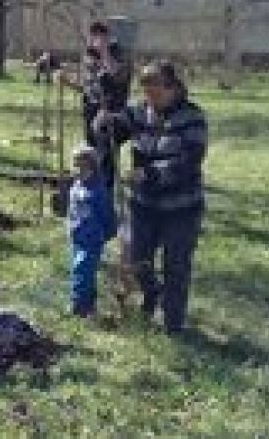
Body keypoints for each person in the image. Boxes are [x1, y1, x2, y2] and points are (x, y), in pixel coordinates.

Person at [95, 60, 207, 335]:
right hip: (143, 205)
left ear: (172, 88)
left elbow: (190, 161)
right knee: (136, 261)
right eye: (146, 93)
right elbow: (116, 129)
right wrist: (104, 123)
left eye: (156, 93)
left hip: (181, 207)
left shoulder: (193, 118)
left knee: (176, 266)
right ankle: (151, 295)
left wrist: (152, 174)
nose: (150, 100)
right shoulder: (139, 112)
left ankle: (173, 324)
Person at [59, 21, 132, 189]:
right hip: (90, 114)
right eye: (93, 37)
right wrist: (67, 82)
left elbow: (116, 75)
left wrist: (105, 50)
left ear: (107, 37)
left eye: (100, 36)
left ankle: (105, 194)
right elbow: (88, 88)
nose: (94, 41)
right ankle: (93, 192)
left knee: (106, 157)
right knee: (91, 155)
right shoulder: (90, 56)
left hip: (110, 116)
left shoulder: (119, 54)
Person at [66, 145, 116, 318]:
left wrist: (105, 234)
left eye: (79, 166)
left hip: (92, 239)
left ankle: (79, 308)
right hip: (77, 236)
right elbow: (71, 211)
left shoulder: (98, 191)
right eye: (74, 166)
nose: (75, 170)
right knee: (79, 271)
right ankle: (90, 307)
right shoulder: (76, 186)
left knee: (82, 270)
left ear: (90, 167)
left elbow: (108, 215)